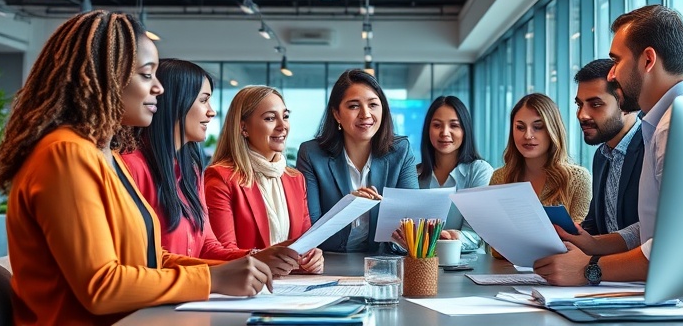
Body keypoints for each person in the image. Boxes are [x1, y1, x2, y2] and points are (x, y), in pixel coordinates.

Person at [0, 11, 272, 326]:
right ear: (104, 76)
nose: (159, 89)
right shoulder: (66, 154)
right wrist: (212, 280)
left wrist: (220, 271)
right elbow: (100, 286)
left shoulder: (102, 153)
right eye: (146, 75)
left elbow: (147, 259)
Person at [533, 5, 683, 314]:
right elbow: (664, 227)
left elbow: (676, 250)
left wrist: (589, 268)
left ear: (648, 60)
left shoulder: (678, 125)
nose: (612, 73)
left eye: (616, 60)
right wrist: (597, 245)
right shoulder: (673, 119)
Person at [120, 59, 299, 276]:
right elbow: (142, 261)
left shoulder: (190, 171)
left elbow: (207, 248)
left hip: (190, 297)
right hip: (160, 302)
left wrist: (258, 256)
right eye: (204, 100)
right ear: (176, 102)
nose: (211, 112)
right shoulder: (129, 167)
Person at [296, 69, 418, 252]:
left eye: (373, 105)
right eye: (354, 106)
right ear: (337, 114)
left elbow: (412, 220)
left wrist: (404, 239)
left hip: (383, 260)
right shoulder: (312, 154)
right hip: (329, 259)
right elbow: (310, 228)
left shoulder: (400, 151)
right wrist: (348, 207)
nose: (365, 114)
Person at [205, 85, 323, 273]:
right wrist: (267, 257)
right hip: (245, 288)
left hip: (291, 289)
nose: (282, 126)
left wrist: (312, 258)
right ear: (243, 127)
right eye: (270, 118)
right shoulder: (221, 178)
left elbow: (303, 245)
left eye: (285, 116)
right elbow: (220, 253)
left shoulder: (295, 179)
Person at [490, 93, 592, 221]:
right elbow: (490, 234)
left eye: (538, 127)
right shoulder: (499, 178)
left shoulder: (578, 179)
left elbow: (582, 235)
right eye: (520, 127)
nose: (527, 135)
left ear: (553, 130)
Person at [574, 59, 643, 237]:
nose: (582, 115)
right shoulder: (601, 156)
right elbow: (596, 224)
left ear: (625, 105)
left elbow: (651, 233)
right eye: (579, 104)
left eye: (595, 104)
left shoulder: (651, 146)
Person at [416, 96, 494, 252]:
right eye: (437, 125)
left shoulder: (479, 171)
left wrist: (451, 237)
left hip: (470, 266)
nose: (444, 133)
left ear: (465, 130)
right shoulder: (414, 174)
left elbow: (475, 235)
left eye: (454, 125)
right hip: (422, 264)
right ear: (428, 130)